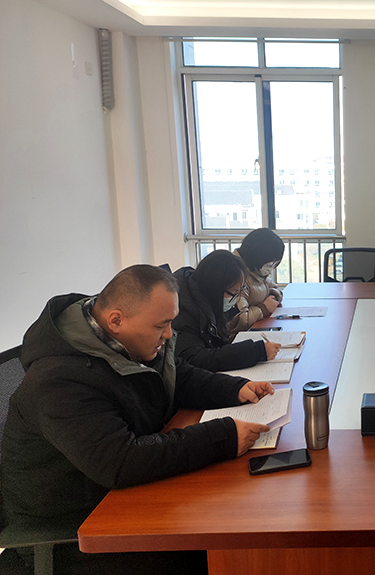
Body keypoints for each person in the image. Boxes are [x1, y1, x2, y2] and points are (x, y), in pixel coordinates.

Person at [0, 265, 274, 574]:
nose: (169, 334)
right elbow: (120, 461)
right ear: (116, 320)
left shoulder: (124, 340)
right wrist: (223, 436)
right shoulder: (59, 381)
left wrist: (234, 389)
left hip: (119, 496)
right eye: (162, 325)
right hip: (77, 528)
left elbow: (177, 374)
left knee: (230, 510)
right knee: (219, 542)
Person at [173, 250, 280, 372]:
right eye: (233, 293)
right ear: (215, 288)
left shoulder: (205, 299)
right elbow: (196, 359)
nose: (235, 299)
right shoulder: (183, 310)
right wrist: (256, 351)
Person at [227, 228, 285, 336]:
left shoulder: (256, 272)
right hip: (238, 338)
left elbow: (275, 289)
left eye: (274, 265)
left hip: (255, 330)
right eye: (269, 265)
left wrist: (273, 297)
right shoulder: (238, 277)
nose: (271, 270)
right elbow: (237, 321)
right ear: (257, 258)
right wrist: (264, 308)